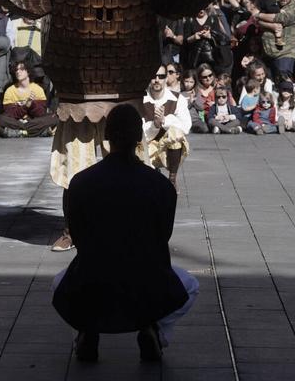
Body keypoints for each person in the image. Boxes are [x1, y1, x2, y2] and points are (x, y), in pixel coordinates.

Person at [52, 103, 198, 364]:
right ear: (138, 138)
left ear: (106, 136)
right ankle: (153, 330)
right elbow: (162, 235)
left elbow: (78, 235)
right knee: (190, 285)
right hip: (146, 283)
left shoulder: (81, 182)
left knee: (58, 283)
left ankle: (87, 331)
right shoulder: (160, 185)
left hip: (92, 281)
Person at [141, 65, 191, 186]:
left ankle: (172, 179)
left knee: (176, 133)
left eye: (161, 76)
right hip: (147, 148)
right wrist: (155, 124)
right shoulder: (140, 99)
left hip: (169, 148)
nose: (157, 80)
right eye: (154, 76)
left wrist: (164, 120)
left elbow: (186, 127)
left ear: (166, 78)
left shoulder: (178, 98)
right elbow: (139, 133)